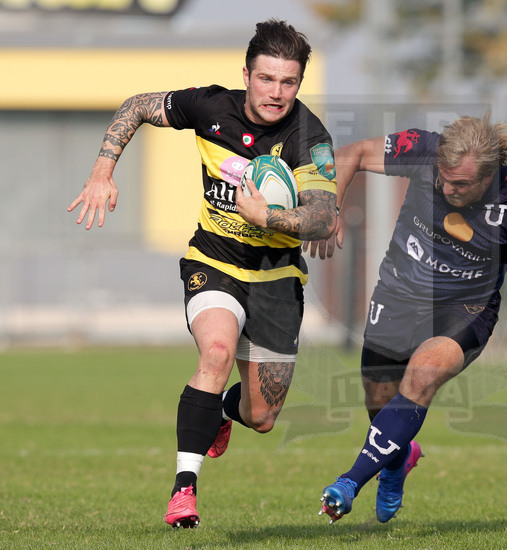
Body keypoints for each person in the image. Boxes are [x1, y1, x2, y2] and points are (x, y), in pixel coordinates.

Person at [67, 20, 337, 528]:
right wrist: (103, 170)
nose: (277, 93)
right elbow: (136, 106)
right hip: (213, 262)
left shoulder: (310, 137)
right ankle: (183, 490)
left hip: (277, 279)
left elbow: (323, 217)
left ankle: (221, 411)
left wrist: (272, 218)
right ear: (246, 75)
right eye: (266, 79)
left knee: (262, 417)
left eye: (289, 82)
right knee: (215, 352)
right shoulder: (211, 107)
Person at [304, 113, 507, 523]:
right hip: (396, 297)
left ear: (489, 176)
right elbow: (352, 153)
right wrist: (328, 209)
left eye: (460, 184)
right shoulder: (424, 150)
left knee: (423, 374)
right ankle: (397, 459)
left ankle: (348, 483)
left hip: (465, 309)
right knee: (381, 406)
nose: (447, 189)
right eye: (443, 179)